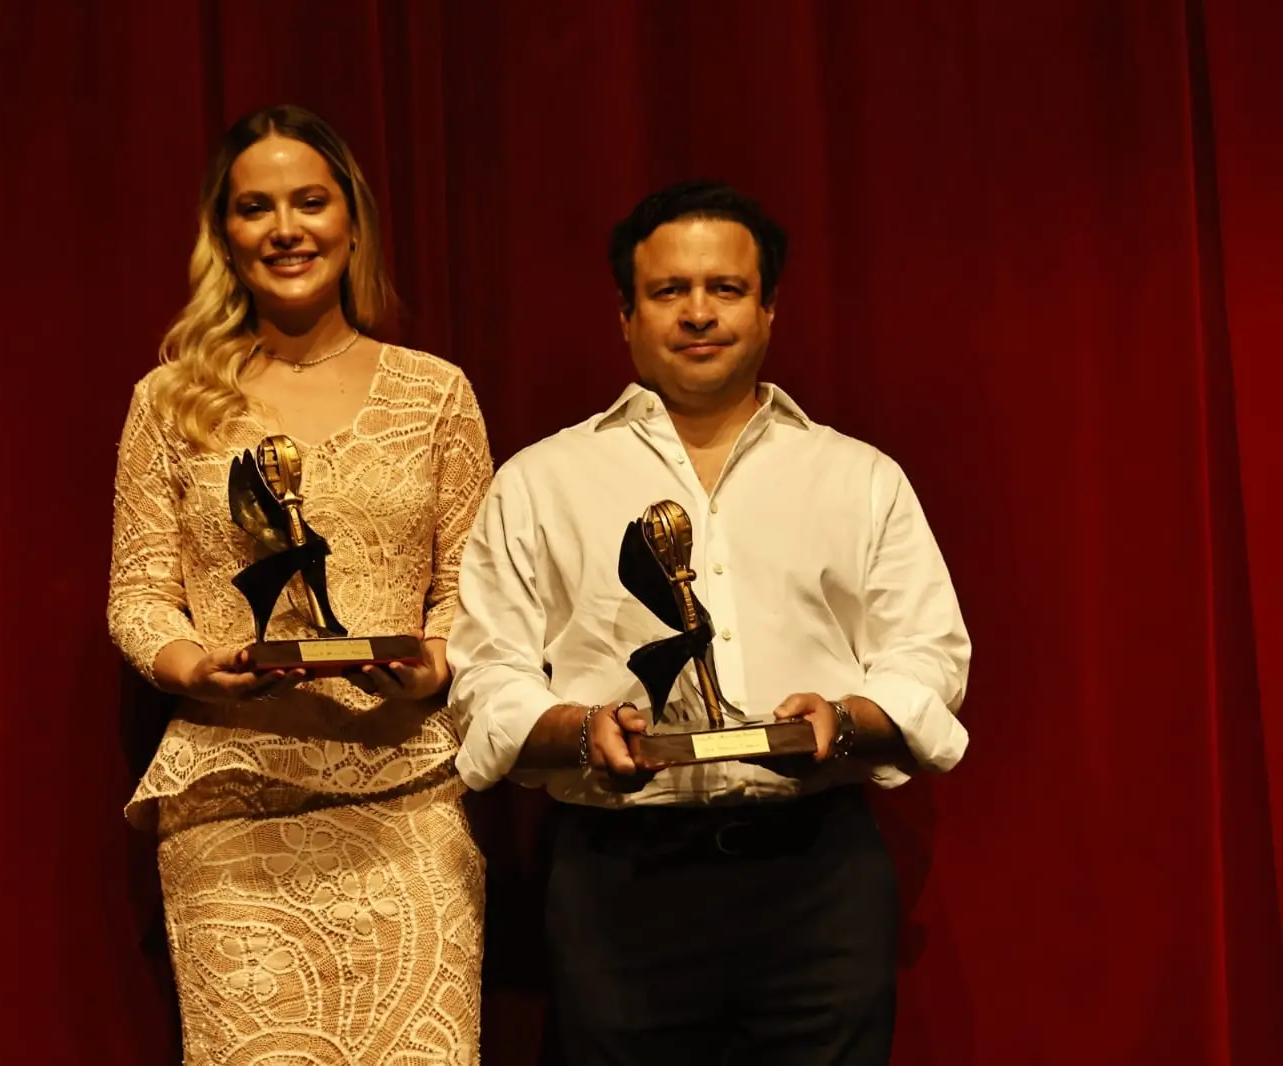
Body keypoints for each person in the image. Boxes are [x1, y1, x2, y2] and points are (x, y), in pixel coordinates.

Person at [446, 180, 971, 1066]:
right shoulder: (540, 482)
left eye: (726, 288)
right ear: (625, 316)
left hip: (818, 881)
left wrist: (844, 722)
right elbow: (487, 677)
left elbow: (927, 659)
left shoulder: (860, 477)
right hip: (620, 881)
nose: (698, 313)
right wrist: (581, 729)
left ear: (768, 310)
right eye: (668, 291)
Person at [107, 104, 493, 1066]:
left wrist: (434, 662)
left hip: (408, 797)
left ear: (352, 221)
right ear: (225, 234)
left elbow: (471, 587)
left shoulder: (436, 392)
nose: (286, 229)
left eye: (310, 202)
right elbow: (139, 592)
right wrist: (192, 665)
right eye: (256, 208)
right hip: (232, 808)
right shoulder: (170, 400)